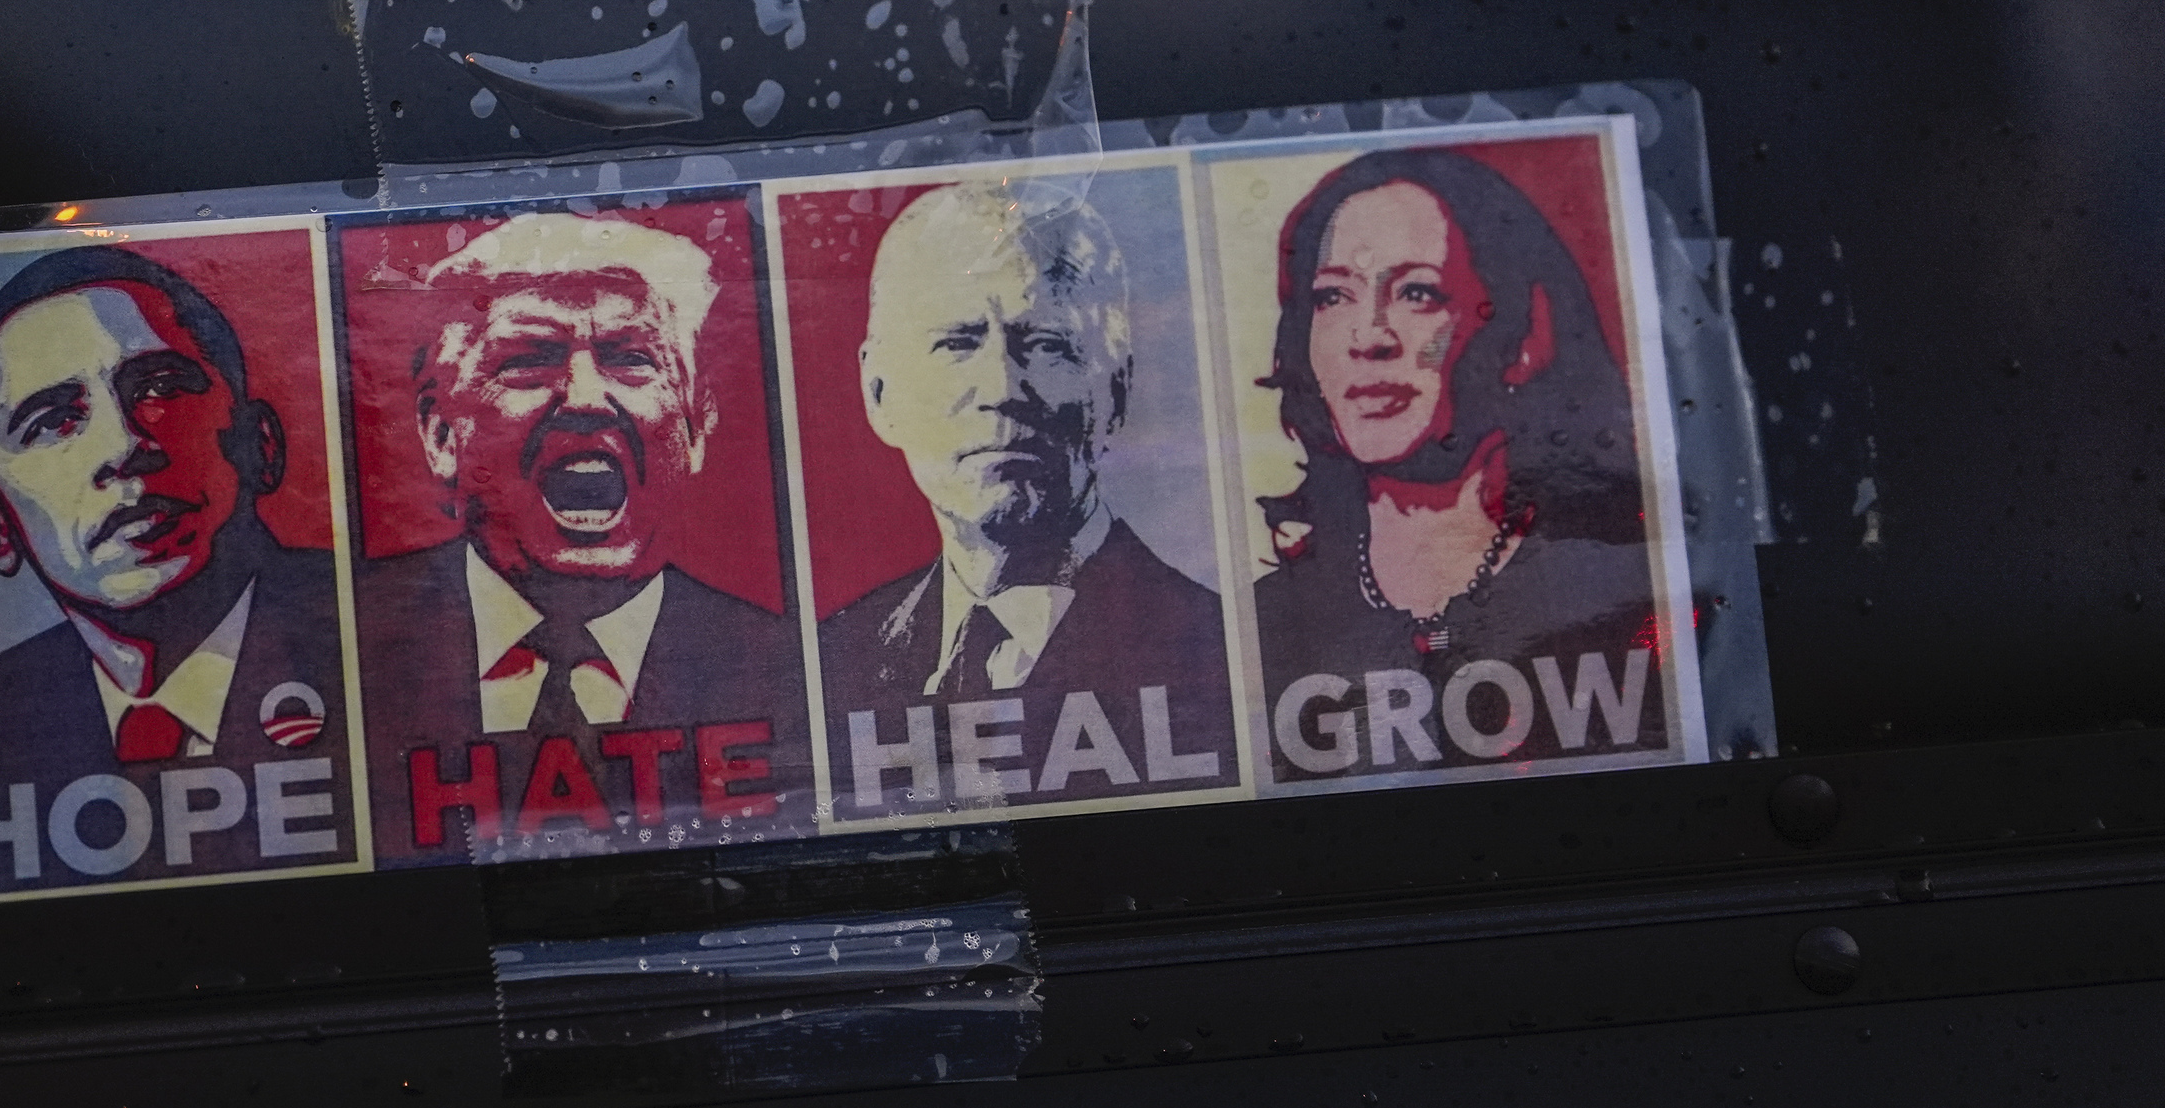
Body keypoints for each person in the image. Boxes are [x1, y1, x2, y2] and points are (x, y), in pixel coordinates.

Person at [352, 208, 805, 862]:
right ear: (441, 434)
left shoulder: (785, 664)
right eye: (530, 361)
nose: (587, 398)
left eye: (630, 359)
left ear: (695, 427)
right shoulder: (338, 638)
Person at [0, 245, 347, 891]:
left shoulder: (397, 639)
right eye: (52, 421)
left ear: (260, 445)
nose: (123, 446)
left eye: (159, 387)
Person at [815, 178, 1233, 816]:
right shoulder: (830, 660)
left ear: (1115, 392)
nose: (1001, 387)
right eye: (956, 343)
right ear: (880, 394)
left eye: (1044, 345)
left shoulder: (1214, 646)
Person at [1249, 147, 1666, 782]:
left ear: (1522, 340)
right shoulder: (1265, 624)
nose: (1369, 337)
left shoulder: (1633, 587)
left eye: (1418, 293)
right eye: (1334, 297)